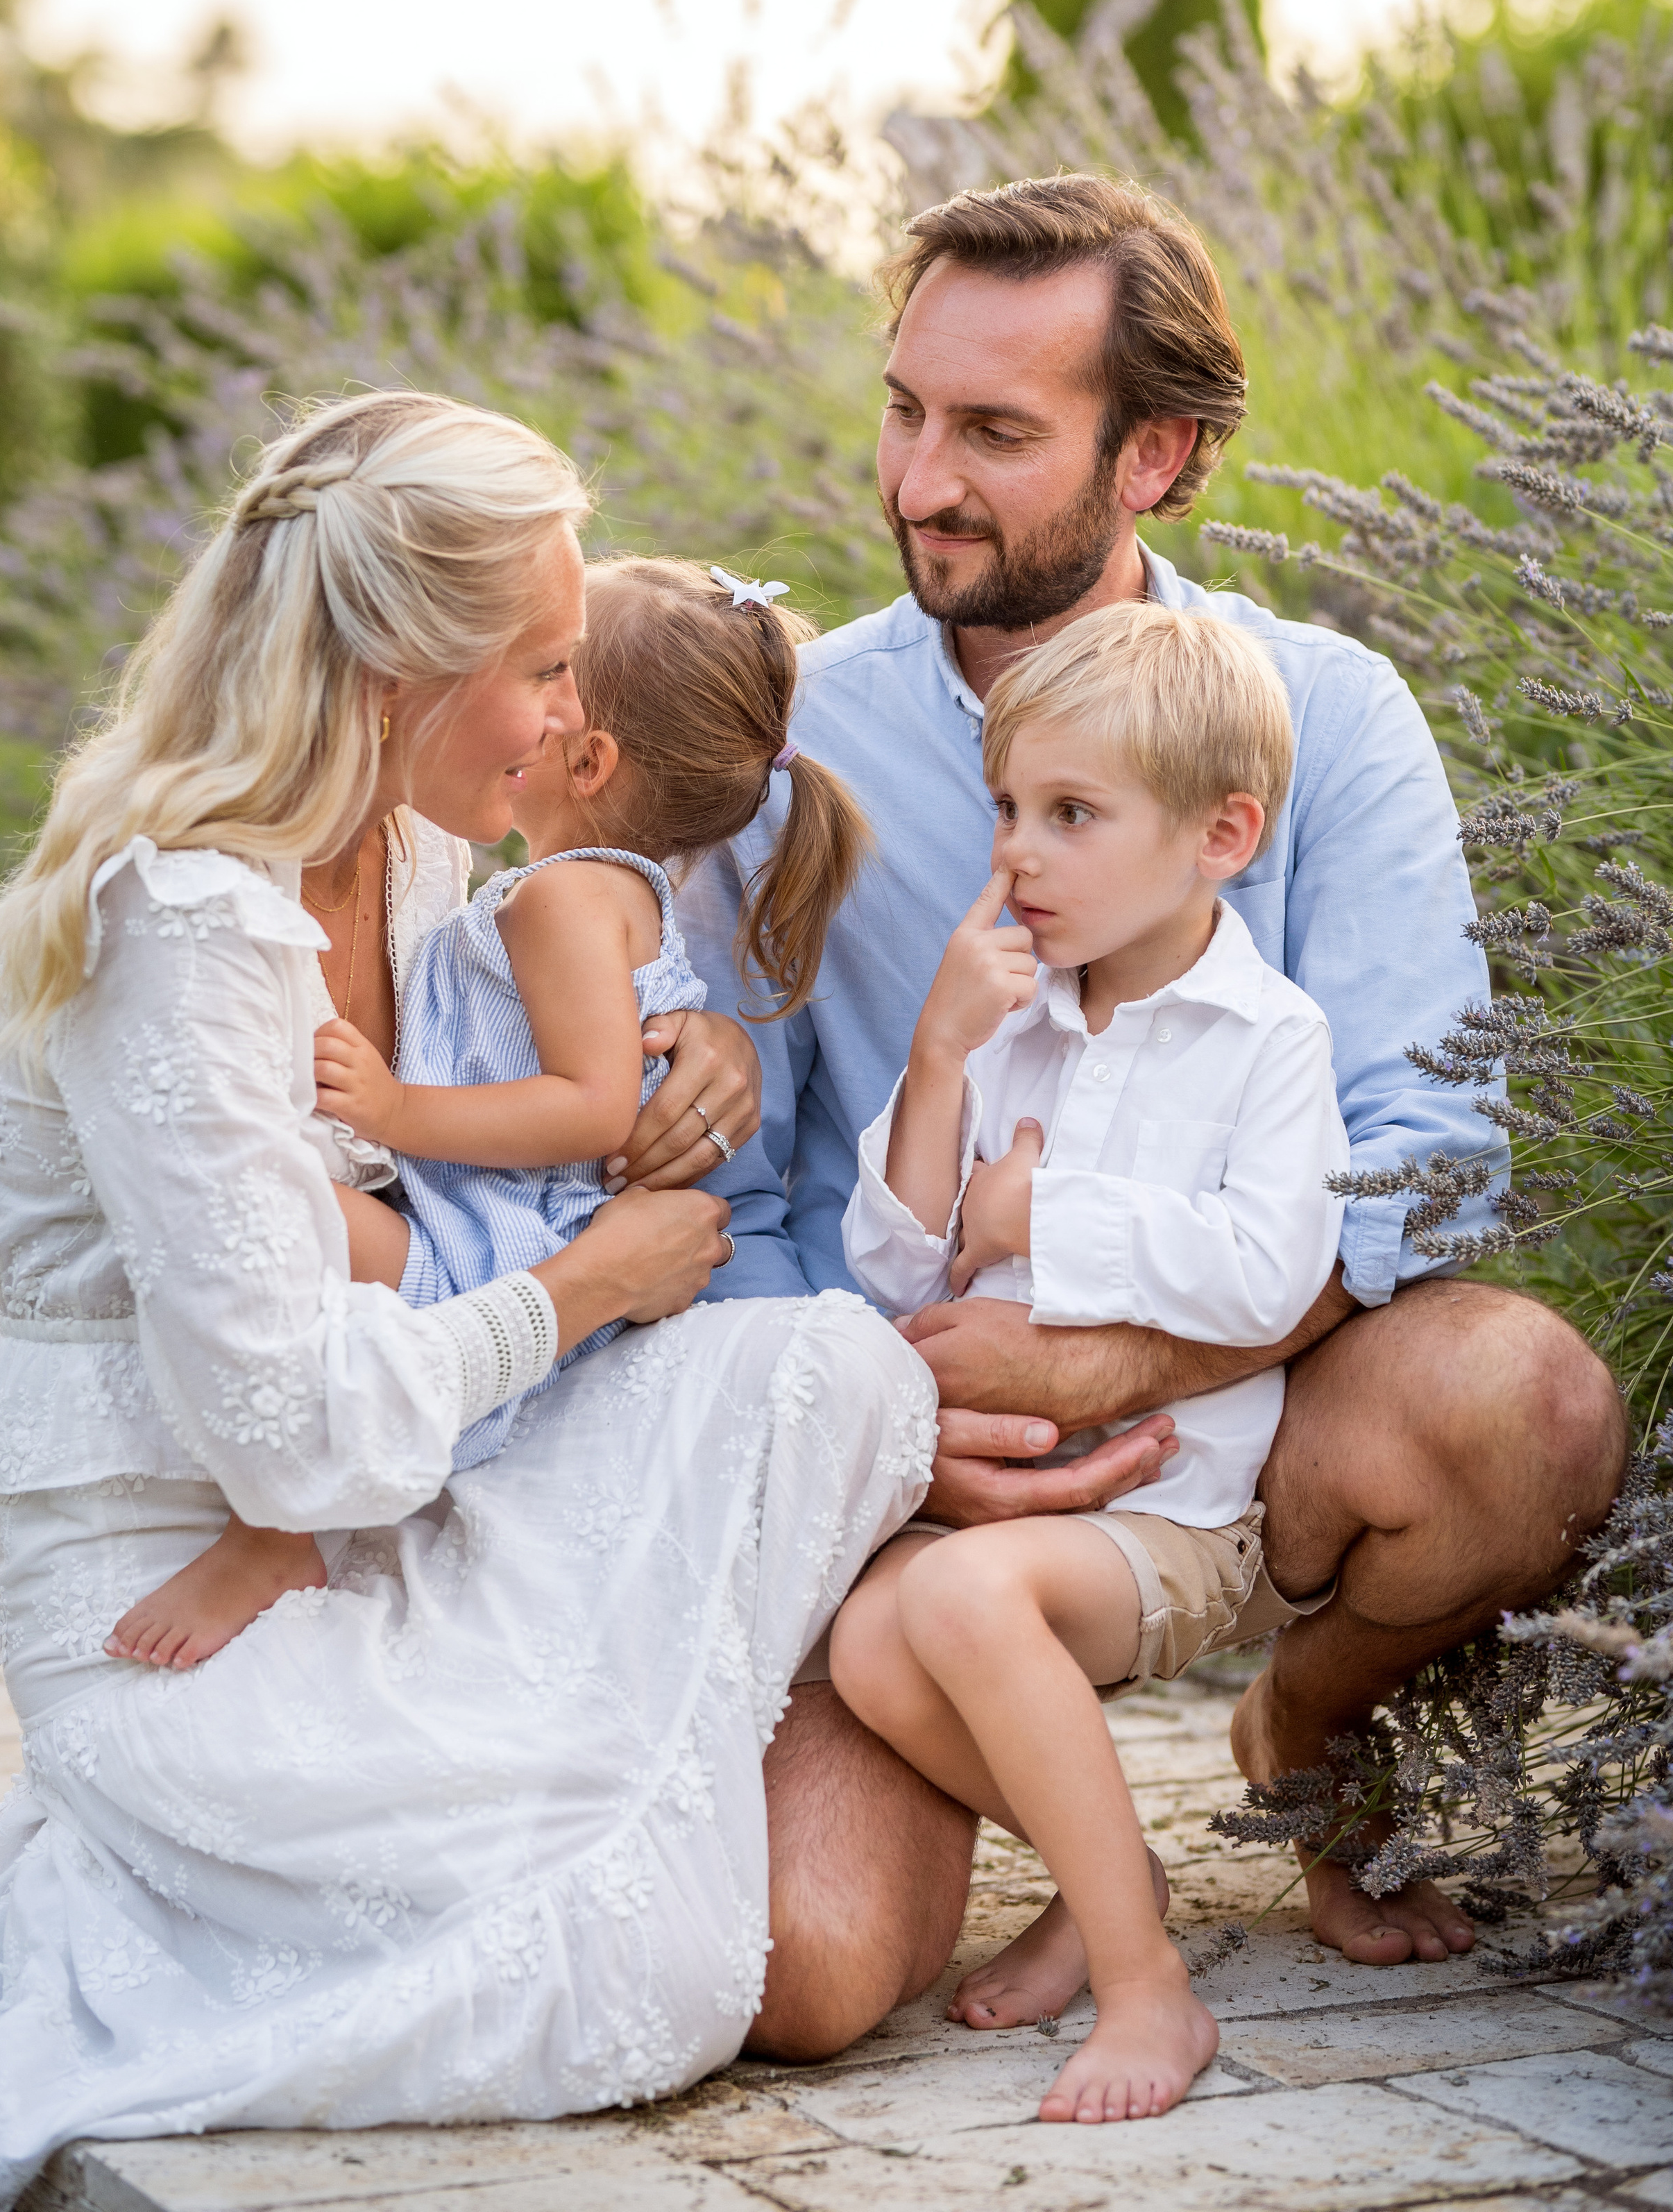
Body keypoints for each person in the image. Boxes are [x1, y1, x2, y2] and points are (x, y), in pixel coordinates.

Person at [0, 397, 936, 2212]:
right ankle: (208, 1869)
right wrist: (582, 1288)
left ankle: (696, 1732)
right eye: (537, 668)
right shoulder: (187, 924)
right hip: (192, 1594)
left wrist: (676, 1063)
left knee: (828, 1365)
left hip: (400, 1478)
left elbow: (501, 1108)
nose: (562, 721)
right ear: (395, 665)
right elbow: (291, 1430)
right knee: (643, 1967)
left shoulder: (421, 837)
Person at [678, 172, 1630, 2060]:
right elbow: (729, 1193)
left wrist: (1115, 1358)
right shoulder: (779, 748)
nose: (920, 480)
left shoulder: (1325, 718)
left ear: (1161, 456)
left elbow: (1425, 1164)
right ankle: (1104, 1862)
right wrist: (896, 1428)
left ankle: (1303, 1731)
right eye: (906, 408)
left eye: (998, 434)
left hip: (1257, 1427)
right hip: (911, 1444)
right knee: (803, 1978)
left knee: (1527, 1403)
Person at [103, 552, 872, 1671]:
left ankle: (275, 1531)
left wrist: (397, 1110)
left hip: (528, 1225)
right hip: (513, 1211)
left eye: (558, 674)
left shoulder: (560, 897)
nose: (537, 702)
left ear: (589, 758)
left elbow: (595, 1106)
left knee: (304, 1220)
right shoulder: (568, 888)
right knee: (305, 1223)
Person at [830, 601, 1346, 2122]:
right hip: (1031, 1506)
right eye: (1003, 810)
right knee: (871, 1646)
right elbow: (894, 1267)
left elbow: (1272, 1272)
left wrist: (1039, 1207)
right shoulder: (1008, 1028)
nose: (1016, 857)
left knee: (964, 1596)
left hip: (1174, 1518)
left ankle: (1145, 1993)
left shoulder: (1265, 1039)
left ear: (1218, 834)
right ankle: (1101, 1889)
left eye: (1068, 814)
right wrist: (933, 1064)